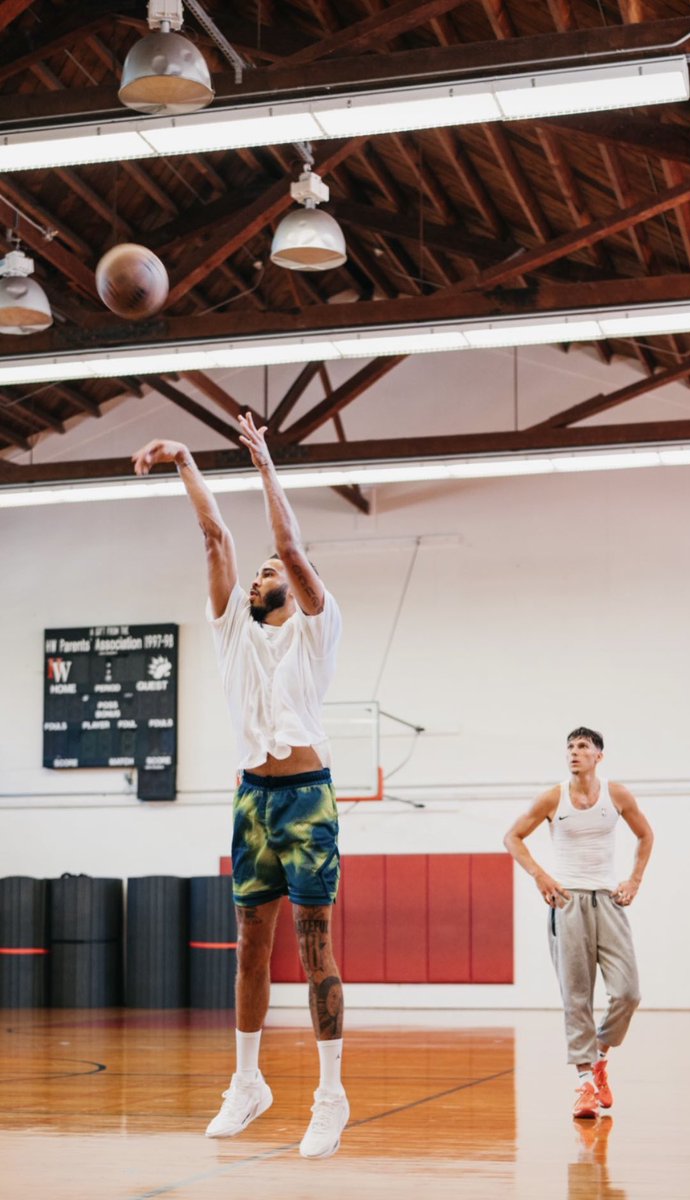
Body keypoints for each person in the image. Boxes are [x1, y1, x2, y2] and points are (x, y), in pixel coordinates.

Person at [132, 412, 348, 1159]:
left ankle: (330, 1095)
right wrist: (188, 460)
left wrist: (263, 466)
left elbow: (287, 544)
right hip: (252, 800)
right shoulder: (231, 629)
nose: (263, 572)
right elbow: (216, 539)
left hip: (307, 794)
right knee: (249, 946)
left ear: (292, 586)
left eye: (271, 572)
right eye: (258, 573)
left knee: (314, 947)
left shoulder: (318, 629)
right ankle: (249, 1082)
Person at [503, 726, 653, 1120]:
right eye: (570, 746)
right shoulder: (553, 797)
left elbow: (645, 834)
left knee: (628, 993)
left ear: (598, 756)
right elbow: (513, 837)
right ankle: (586, 1083)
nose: (574, 752)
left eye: (583, 746)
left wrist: (634, 879)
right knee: (577, 997)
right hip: (567, 901)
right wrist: (540, 875)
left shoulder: (615, 795)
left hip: (608, 900)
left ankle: (599, 1055)